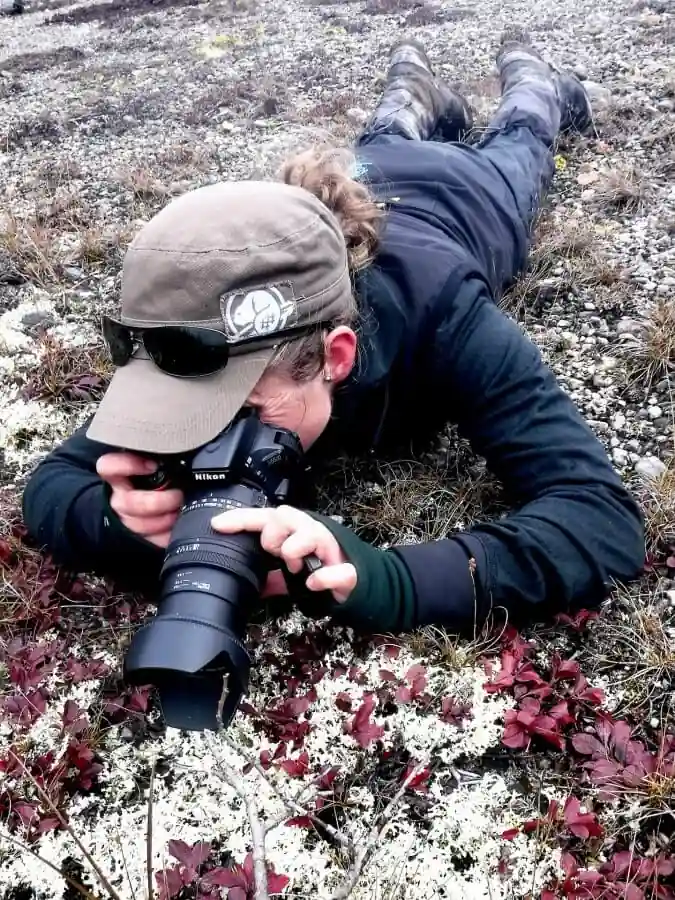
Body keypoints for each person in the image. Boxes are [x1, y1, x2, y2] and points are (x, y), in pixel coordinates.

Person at [21, 31, 645, 636]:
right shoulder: (195, 333)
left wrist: (392, 582)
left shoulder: (446, 313)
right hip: (372, 166)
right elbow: (53, 483)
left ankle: (527, 70)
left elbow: (599, 518)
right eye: (189, 407)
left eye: (244, 410)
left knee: (524, 136)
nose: (203, 435)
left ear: (335, 357)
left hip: (470, 196)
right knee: (388, 131)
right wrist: (116, 521)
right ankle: (412, 83)